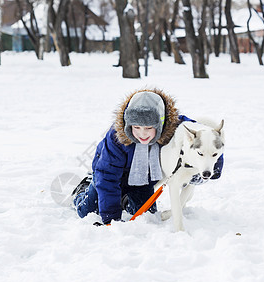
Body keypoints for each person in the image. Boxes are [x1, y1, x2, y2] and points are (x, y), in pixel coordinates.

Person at [71, 88, 223, 225]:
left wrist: (212, 168)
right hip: (109, 175)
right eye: (136, 127)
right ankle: (84, 187)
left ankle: (124, 198)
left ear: (160, 122)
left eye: (149, 128)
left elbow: (208, 138)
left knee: (145, 216)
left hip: (143, 181)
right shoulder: (117, 138)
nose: (142, 134)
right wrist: (111, 219)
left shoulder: (174, 128)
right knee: (88, 211)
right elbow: (107, 176)